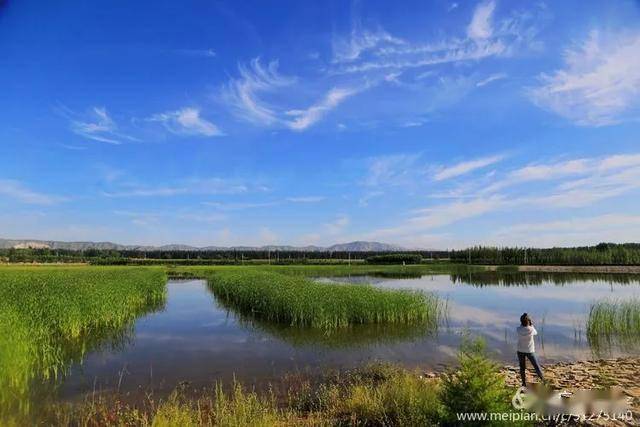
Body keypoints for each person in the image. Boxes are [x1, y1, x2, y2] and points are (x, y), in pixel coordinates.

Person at [516, 312, 544, 387]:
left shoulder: (518, 329)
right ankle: (543, 380)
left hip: (520, 350)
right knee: (536, 366)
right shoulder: (531, 329)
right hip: (529, 351)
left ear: (521, 321)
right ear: (528, 321)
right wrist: (531, 324)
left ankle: (524, 383)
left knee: (522, 367)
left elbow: (521, 327)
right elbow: (536, 332)